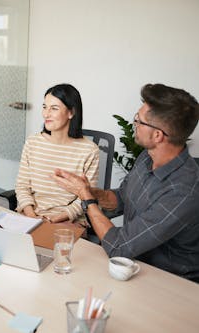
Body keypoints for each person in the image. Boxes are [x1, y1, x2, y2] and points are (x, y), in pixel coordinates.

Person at [53, 83, 199, 282]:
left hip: (170, 281)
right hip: (134, 264)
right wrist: (90, 191)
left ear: (158, 135)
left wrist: (87, 199)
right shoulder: (148, 157)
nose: (134, 124)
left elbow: (119, 247)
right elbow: (121, 198)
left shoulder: (185, 190)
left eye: (139, 121)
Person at [15, 84, 99, 228]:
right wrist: (32, 217)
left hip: (68, 220)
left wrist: (53, 219)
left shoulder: (89, 150)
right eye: (44, 107)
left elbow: (85, 197)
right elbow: (22, 186)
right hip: (31, 216)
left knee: (54, 248)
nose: (46, 114)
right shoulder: (32, 142)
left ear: (71, 112)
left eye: (54, 108)